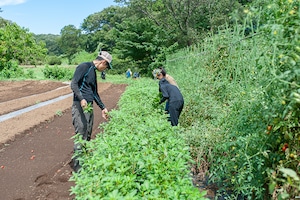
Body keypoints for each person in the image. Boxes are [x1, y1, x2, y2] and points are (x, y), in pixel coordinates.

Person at [70, 51, 112, 172]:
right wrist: (81, 99)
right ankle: (78, 169)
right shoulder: (84, 66)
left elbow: (94, 93)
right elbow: (73, 84)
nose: (105, 69)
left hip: (89, 106)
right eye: (106, 66)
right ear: (103, 62)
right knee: (81, 135)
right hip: (80, 106)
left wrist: (103, 107)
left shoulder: (93, 72)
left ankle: (85, 162)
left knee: (87, 134)